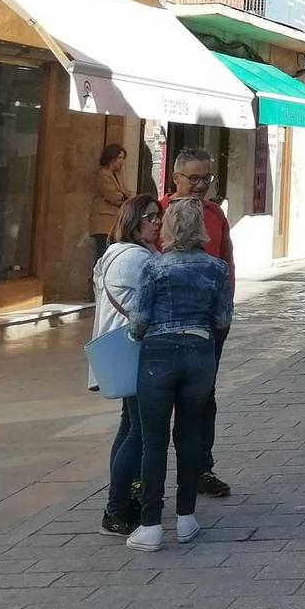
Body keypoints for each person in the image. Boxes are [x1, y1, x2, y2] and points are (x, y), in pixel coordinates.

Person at [126, 195, 232, 552]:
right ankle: (186, 517)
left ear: (168, 228)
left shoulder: (154, 268)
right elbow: (222, 319)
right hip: (200, 353)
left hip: (158, 354)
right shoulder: (216, 268)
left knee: (153, 441)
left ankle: (151, 525)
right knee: (190, 435)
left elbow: (139, 321)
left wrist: (137, 332)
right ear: (201, 228)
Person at [160, 149, 233, 498]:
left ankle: (201, 468)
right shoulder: (156, 212)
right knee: (156, 403)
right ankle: (148, 478)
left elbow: (227, 261)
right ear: (176, 178)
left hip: (208, 325)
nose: (201, 184)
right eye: (194, 178)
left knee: (204, 398)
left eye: (207, 178)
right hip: (165, 324)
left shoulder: (215, 213)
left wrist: (225, 311)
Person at [93, 193, 161, 535]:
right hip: (133, 350)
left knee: (128, 426)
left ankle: (121, 501)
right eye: (149, 217)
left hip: (124, 351)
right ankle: (116, 506)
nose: (156, 222)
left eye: (158, 217)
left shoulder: (115, 254)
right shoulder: (134, 259)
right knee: (139, 432)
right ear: (133, 220)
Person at [89, 144, 128, 260]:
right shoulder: (103, 173)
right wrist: (121, 195)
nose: (121, 162)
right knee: (102, 253)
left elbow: (125, 192)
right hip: (103, 221)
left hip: (113, 222)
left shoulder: (117, 175)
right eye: (120, 158)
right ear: (112, 157)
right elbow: (113, 196)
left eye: (123, 158)